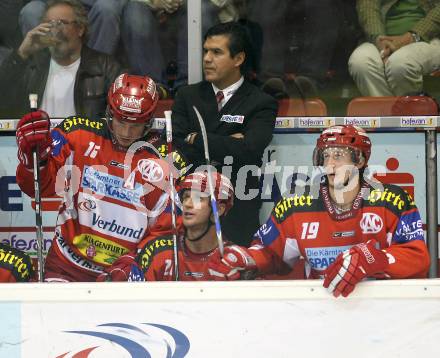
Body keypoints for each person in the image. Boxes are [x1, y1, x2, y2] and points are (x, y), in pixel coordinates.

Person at [208, 125, 430, 297]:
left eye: (338, 156)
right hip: (322, 306)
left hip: (381, 310)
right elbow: (270, 254)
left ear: (360, 160)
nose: (330, 165)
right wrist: (246, 259)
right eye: (325, 156)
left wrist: (375, 259)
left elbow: (419, 259)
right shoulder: (295, 204)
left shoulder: (392, 199)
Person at [15, 73, 178, 282]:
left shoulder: (162, 160)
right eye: (120, 121)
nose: (126, 132)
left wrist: (134, 263)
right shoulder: (77, 133)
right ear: (109, 112)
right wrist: (33, 160)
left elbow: (165, 230)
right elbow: (38, 188)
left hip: (123, 273)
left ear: (149, 121)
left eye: (136, 124)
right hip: (66, 266)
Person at [172, 21, 278, 246]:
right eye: (206, 51)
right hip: (192, 208)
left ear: (238, 59)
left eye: (217, 52)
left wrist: (198, 139)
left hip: (239, 210)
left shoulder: (261, 102)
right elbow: (179, 146)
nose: (207, 59)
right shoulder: (187, 96)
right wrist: (230, 142)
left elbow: (250, 150)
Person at [97, 171, 251, 281]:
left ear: (220, 209)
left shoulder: (236, 260)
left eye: (198, 199)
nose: (188, 204)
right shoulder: (157, 252)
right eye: (185, 198)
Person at [0, 0, 121, 118]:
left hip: (84, 136)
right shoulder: (32, 68)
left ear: (80, 29)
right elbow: (4, 98)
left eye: (62, 23)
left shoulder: (107, 68)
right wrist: (22, 53)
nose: (56, 31)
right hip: (38, 137)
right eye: (49, 24)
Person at [349, 0, 440, 96]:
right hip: (382, 38)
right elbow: (367, 6)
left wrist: (413, 36)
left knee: (400, 64)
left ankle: (409, 109)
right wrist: (379, 39)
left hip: (429, 37)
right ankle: (386, 110)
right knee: (360, 61)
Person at [19, 0, 127, 56]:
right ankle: (44, 77)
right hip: (53, 4)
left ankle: (95, 73)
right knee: (31, 12)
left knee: (107, 10)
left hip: (95, 7)